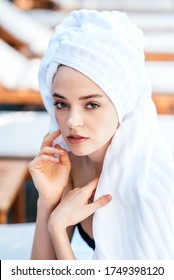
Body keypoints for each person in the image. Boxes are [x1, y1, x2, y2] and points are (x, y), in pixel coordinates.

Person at [28, 9, 174, 260]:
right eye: (61, 104)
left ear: (122, 103)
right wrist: (47, 201)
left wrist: (59, 230)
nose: (72, 122)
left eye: (91, 105)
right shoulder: (70, 160)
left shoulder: (152, 189)